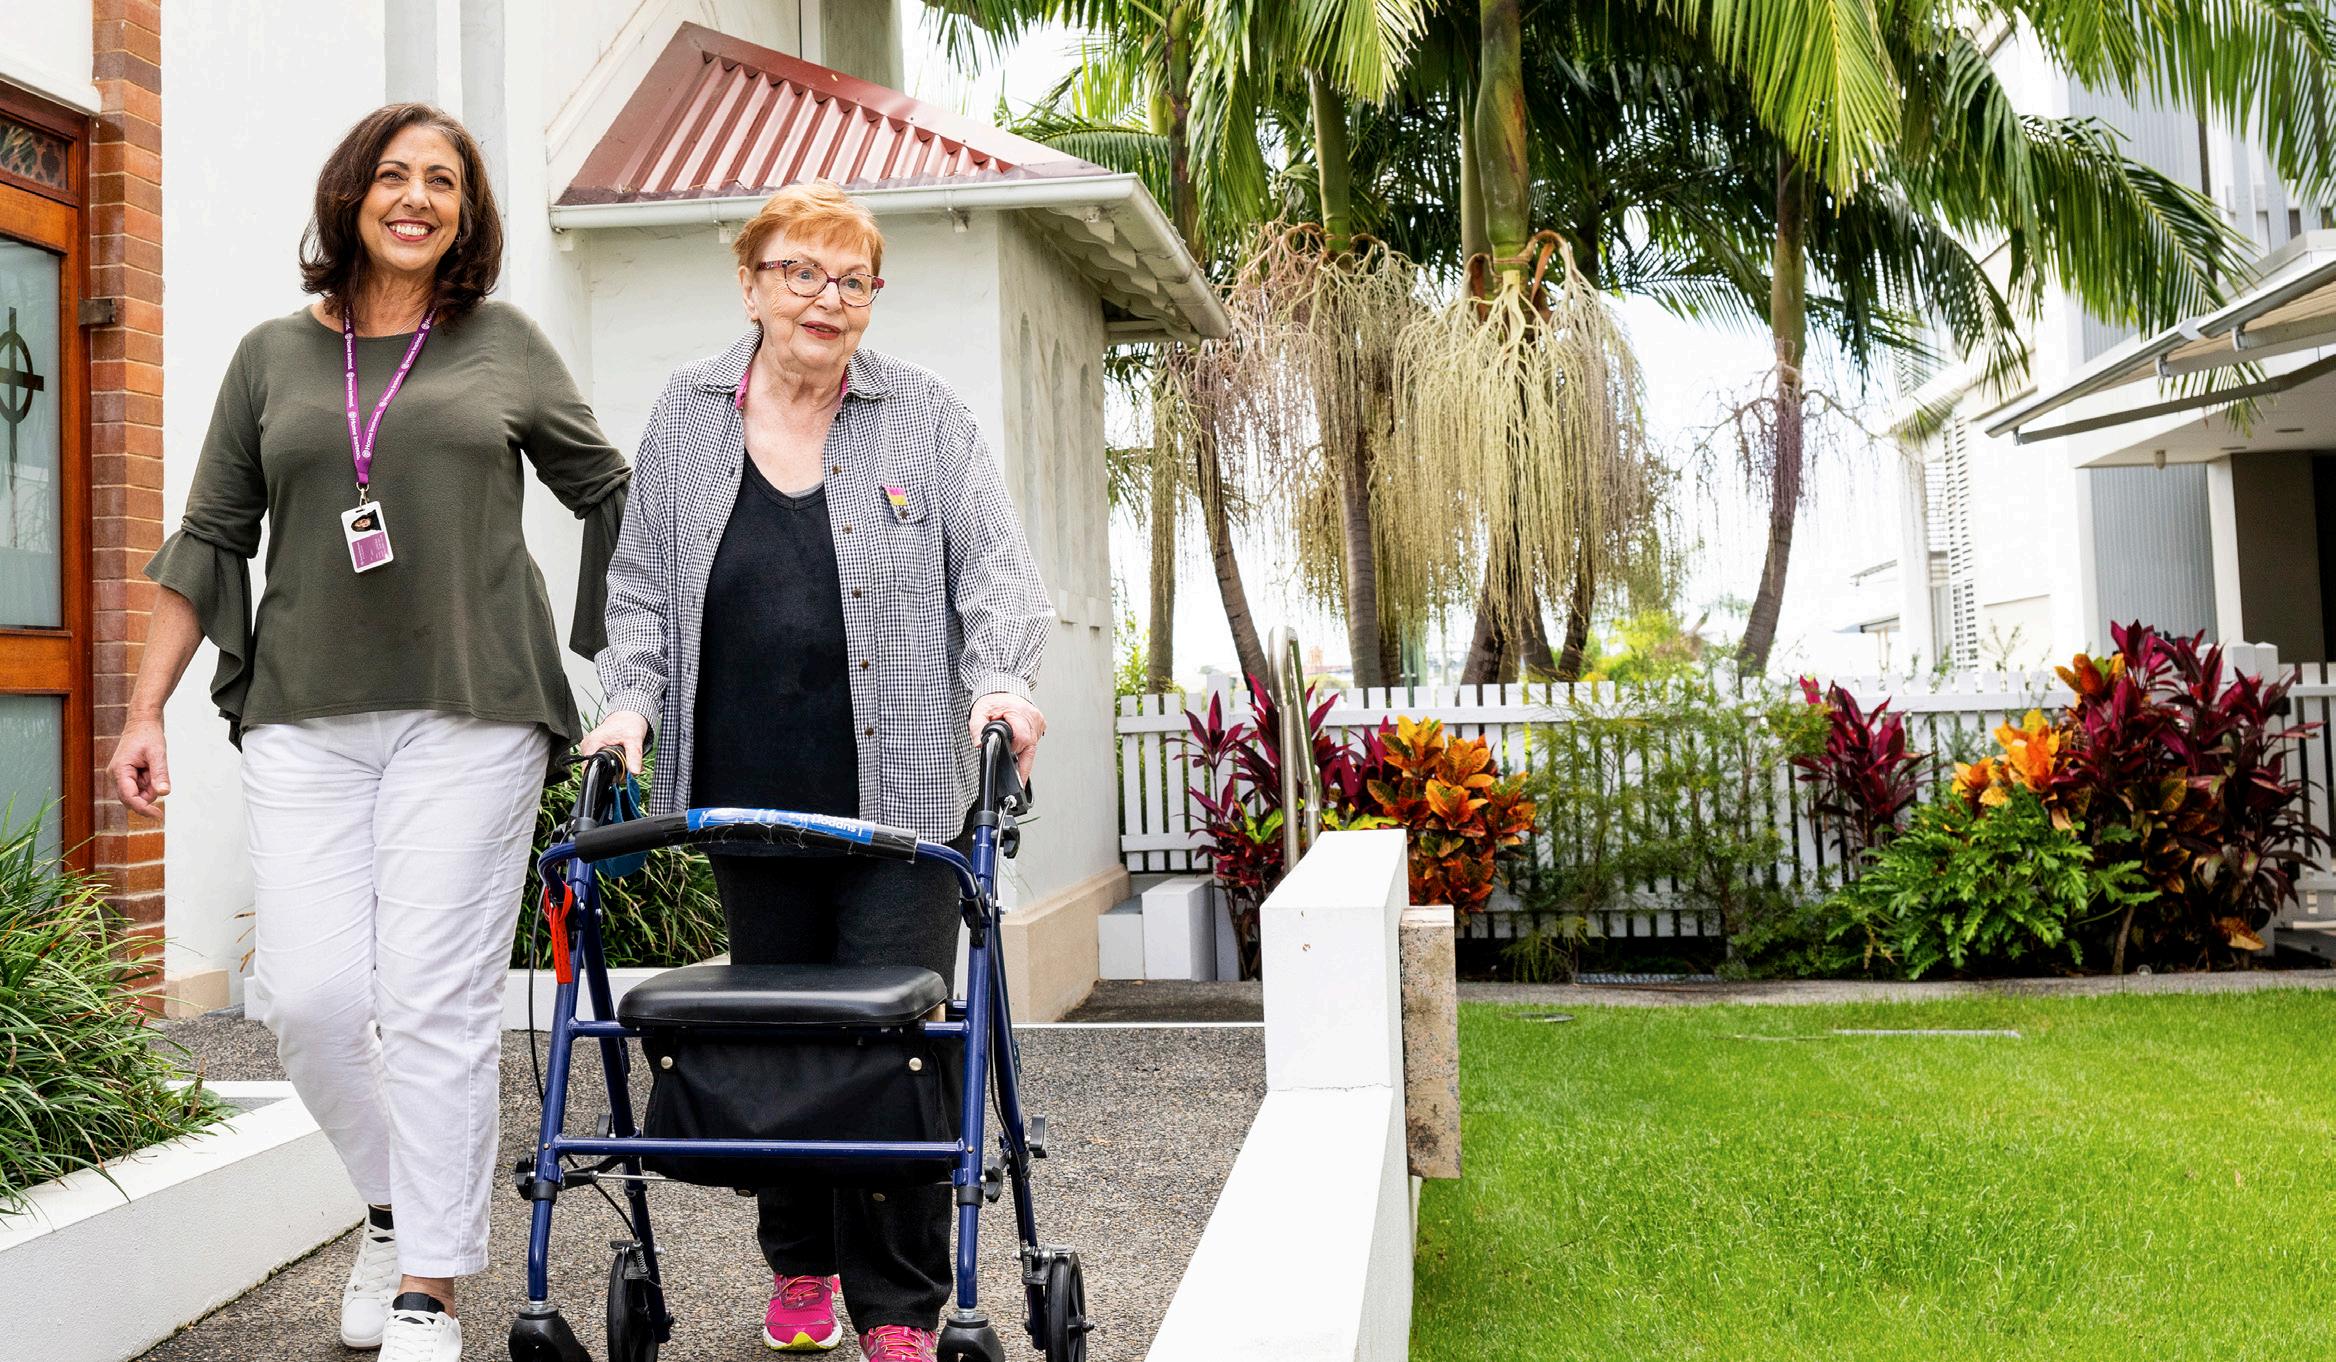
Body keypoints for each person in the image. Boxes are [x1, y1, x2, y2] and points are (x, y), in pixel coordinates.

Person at [106, 104, 629, 1362]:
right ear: (350, 196)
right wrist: (142, 709)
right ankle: (397, 1210)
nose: (415, 197)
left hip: (474, 707)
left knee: (435, 1000)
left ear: (465, 214)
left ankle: (428, 1289)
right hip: (304, 712)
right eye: (393, 175)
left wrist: (626, 672)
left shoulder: (501, 342)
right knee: (313, 998)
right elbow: (209, 538)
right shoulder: (271, 356)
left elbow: (610, 491)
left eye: (442, 181)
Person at [582, 179, 1052, 1362]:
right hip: (745, 796)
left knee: (890, 1046)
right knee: (781, 1036)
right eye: (799, 273)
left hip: (903, 806)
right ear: (751, 285)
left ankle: (897, 1309)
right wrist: (628, 705)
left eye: (851, 281)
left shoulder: (924, 417)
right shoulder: (686, 415)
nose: (825, 300)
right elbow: (638, 591)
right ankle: (800, 1264)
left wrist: (999, 682)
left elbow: (995, 575)